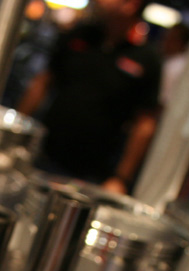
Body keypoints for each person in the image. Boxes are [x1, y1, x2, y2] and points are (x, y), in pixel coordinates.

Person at [18, 0, 162, 194]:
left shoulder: (147, 57)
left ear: (131, 4)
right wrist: (18, 132)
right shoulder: (80, 35)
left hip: (94, 173)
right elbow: (42, 82)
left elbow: (144, 123)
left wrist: (121, 178)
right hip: (44, 154)